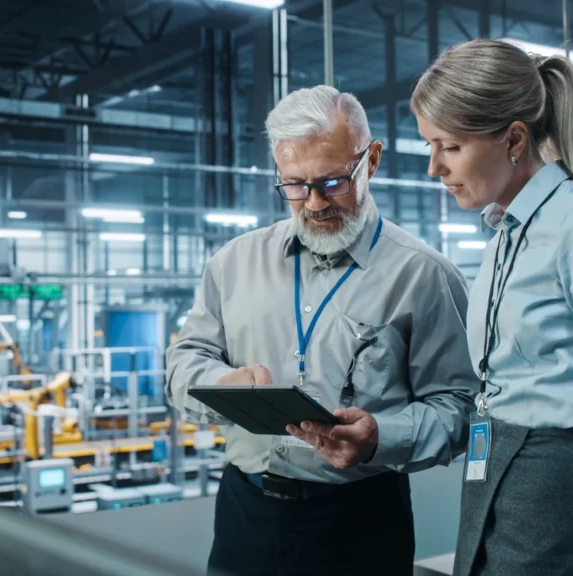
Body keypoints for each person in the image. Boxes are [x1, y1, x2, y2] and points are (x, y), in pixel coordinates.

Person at [165, 85, 478, 576]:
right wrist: (218, 385)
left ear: (370, 161)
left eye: (333, 182)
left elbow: (461, 408)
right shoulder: (233, 264)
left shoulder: (424, 276)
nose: (313, 203)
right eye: (293, 185)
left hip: (360, 522)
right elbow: (185, 360)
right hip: (247, 515)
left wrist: (381, 438)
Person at [410, 39, 573, 576]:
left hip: (557, 488)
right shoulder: (503, 238)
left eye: (450, 147)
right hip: (495, 477)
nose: (434, 167)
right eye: (430, 145)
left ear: (513, 139)